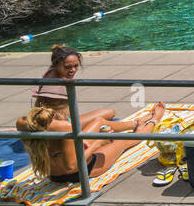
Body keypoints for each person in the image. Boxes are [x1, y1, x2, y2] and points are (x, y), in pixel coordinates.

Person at [18, 101, 166, 183]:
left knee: (99, 122)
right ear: (55, 120)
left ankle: (135, 123)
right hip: (77, 173)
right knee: (123, 141)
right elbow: (72, 166)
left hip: (55, 172)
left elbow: (21, 121)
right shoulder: (64, 132)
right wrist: (98, 144)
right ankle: (154, 120)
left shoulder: (27, 126)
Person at [31, 44, 115, 126]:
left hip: (58, 121)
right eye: (67, 67)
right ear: (56, 65)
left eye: (76, 66)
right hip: (62, 124)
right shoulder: (56, 83)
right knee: (109, 113)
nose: (73, 70)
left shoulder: (51, 73)